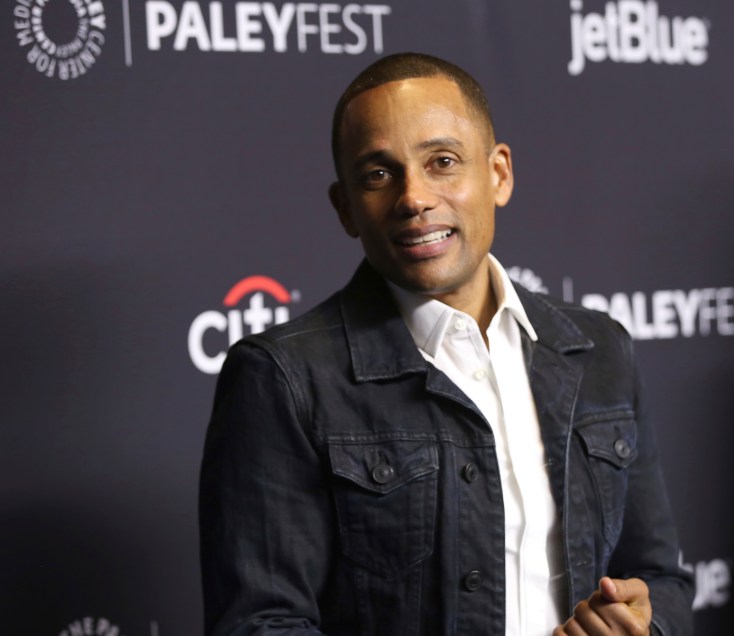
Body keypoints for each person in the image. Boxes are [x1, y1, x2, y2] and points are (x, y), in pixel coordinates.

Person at [199, 52, 694, 636]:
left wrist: (640, 623)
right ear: (346, 209)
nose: (414, 198)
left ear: (499, 174)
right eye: (378, 174)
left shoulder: (598, 347)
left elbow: (661, 579)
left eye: (442, 161)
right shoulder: (283, 377)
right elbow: (261, 624)